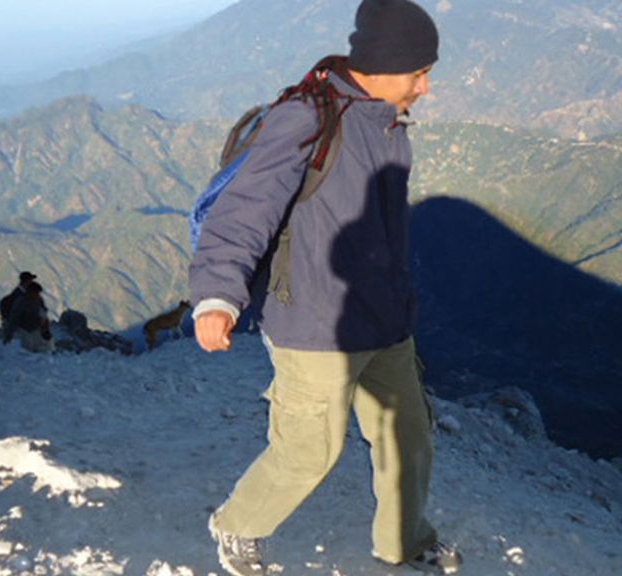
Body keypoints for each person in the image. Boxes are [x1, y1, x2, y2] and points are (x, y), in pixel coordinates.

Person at [188, 1, 462, 574]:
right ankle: (237, 527)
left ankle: (403, 544)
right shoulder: (308, 119)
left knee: (408, 441)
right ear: (386, 66)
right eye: (420, 72)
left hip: (385, 319)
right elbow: (242, 213)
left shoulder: (383, 117)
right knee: (310, 449)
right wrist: (217, 296)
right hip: (314, 324)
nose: (427, 87)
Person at [2, 281, 53, 353]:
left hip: (36, 327)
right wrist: (9, 335)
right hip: (25, 329)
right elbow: (14, 319)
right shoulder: (21, 302)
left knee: (44, 347)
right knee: (29, 350)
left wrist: (45, 328)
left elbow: (43, 312)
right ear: (29, 292)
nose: (37, 294)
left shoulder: (39, 299)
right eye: (36, 292)